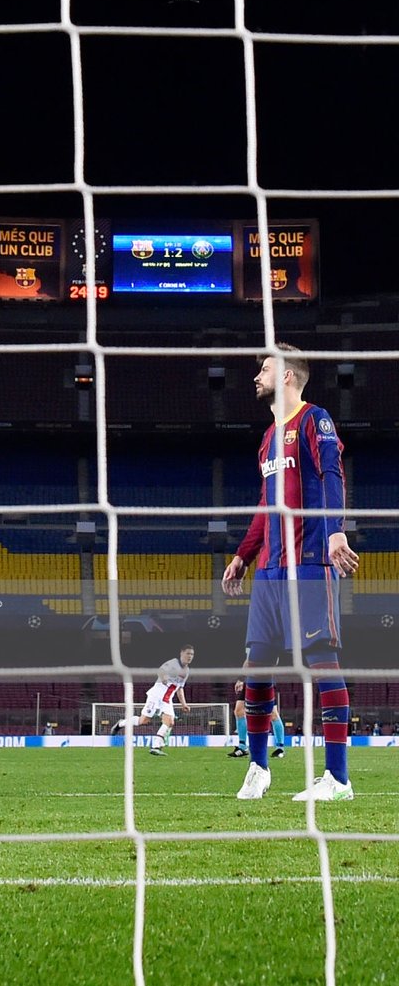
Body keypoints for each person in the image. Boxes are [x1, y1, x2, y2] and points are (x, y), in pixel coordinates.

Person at [223, 344, 358, 802]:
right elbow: (266, 505)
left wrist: (336, 531)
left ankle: (338, 778)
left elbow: (331, 475)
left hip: (310, 561)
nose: (255, 377)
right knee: (256, 668)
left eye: (263, 369)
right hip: (271, 571)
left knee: (321, 664)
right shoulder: (266, 438)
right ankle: (258, 768)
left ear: (286, 376)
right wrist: (243, 555)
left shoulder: (314, 419)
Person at [109, 646, 194, 756]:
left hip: (167, 699)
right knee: (143, 721)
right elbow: (161, 671)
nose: (190, 656)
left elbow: (180, 688)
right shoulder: (173, 663)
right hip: (156, 695)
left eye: (192, 654)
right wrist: (164, 678)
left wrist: (184, 704)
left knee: (170, 722)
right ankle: (120, 724)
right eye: (188, 653)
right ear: (182, 653)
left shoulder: (186, 671)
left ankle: (155, 747)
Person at [229, 679, 287, 759]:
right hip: (249, 680)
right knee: (239, 711)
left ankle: (280, 748)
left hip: (264, 679)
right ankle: (242, 747)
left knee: (273, 714)